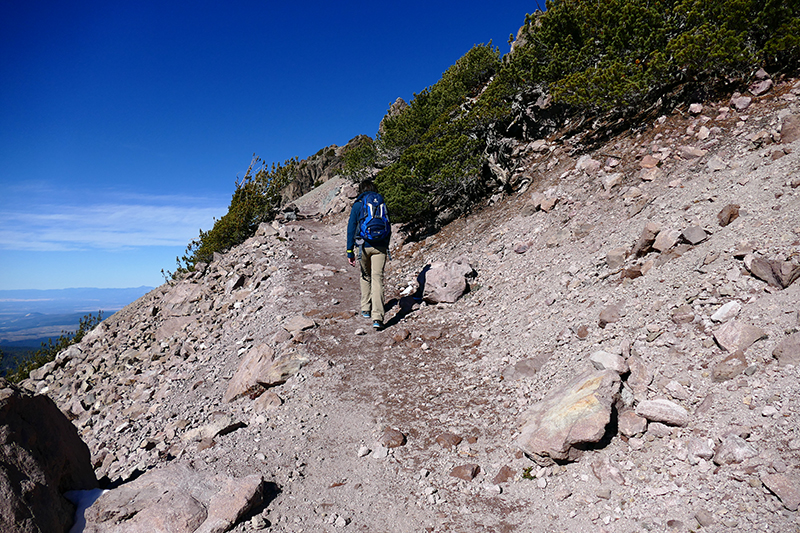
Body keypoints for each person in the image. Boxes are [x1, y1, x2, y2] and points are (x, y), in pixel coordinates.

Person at [346, 180, 391, 329]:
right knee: (377, 279)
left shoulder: (358, 205)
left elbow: (351, 228)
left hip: (363, 246)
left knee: (365, 276)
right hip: (380, 246)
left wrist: (349, 251)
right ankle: (377, 317)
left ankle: (366, 308)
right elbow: (388, 225)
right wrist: (385, 245)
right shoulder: (381, 203)